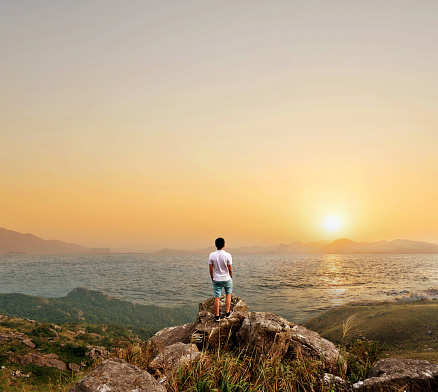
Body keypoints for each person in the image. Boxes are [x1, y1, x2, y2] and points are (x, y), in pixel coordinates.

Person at [209, 237, 233, 322]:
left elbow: (211, 269)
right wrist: (231, 276)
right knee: (228, 294)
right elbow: (230, 268)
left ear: (215, 245)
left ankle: (217, 316)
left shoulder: (211, 255)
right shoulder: (228, 255)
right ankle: (227, 313)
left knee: (217, 297)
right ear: (224, 245)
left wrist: (212, 277)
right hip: (227, 278)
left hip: (216, 279)